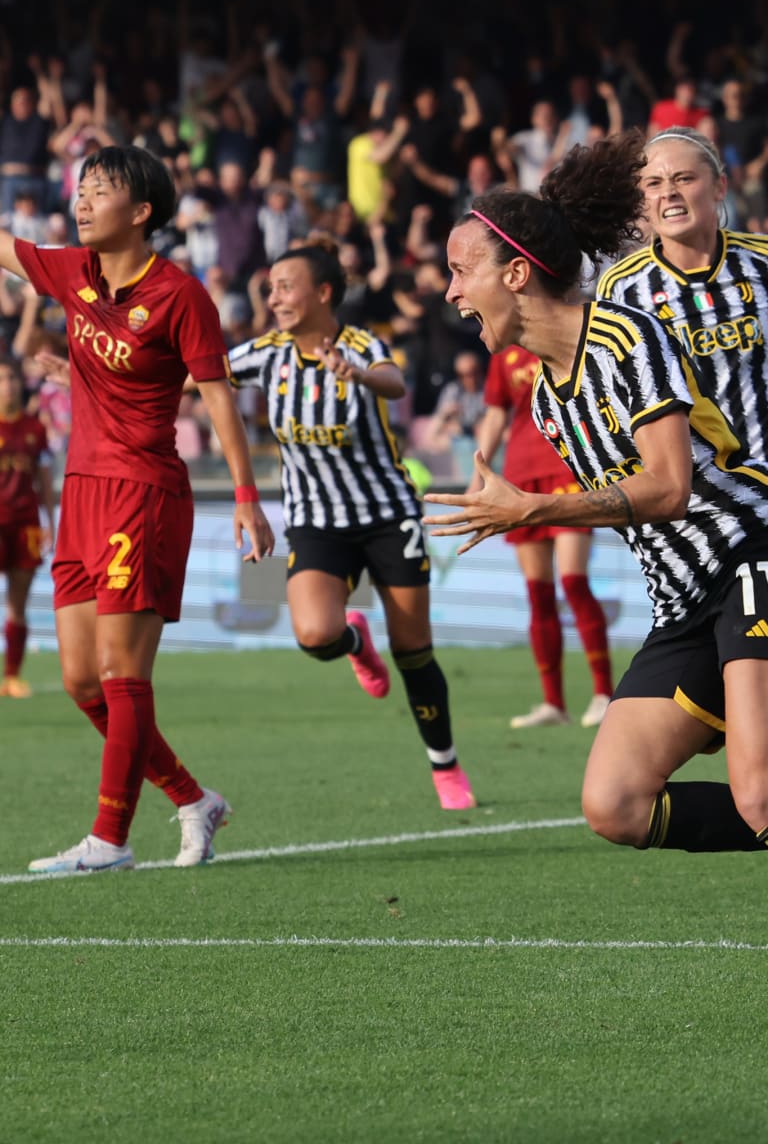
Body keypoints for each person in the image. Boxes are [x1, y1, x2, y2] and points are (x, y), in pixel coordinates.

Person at [423, 129, 768, 856]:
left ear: (516, 274)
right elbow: (643, 514)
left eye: (462, 270)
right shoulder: (547, 398)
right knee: (615, 805)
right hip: (684, 604)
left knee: (759, 792)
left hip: (751, 556)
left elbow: (670, 489)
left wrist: (537, 508)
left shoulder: (624, 335)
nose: (450, 290)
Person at [0, 144, 275, 873]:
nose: (82, 200)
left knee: (123, 672)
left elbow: (220, 402)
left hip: (143, 493)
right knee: (81, 683)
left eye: (101, 189)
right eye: (80, 188)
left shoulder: (183, 296)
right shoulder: (71, 272)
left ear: (143, 211)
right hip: (80, 492)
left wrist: (247, 500)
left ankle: (110, 839)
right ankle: (193, 799)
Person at [226, 241, 476, 811]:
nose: (275, 298)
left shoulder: (361, 345)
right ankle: (357, 641)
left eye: (285, 287)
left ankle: (446, 765)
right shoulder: (266, 354)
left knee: (415, 651)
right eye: (270, 289)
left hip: (388, 515)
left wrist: (357, 376)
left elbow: (393, 382)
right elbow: (195, 378)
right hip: (317, 522)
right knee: (315, 635)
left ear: (323, 293)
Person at [597, 127, 768, 466]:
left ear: (720, 187)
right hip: (702, 500)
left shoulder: (762, 261)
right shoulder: (621, 289)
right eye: (654, 184)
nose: (669, 193)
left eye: (684, 178)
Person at [472, 344, 613, 729]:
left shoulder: (565, 334)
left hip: (568, 468)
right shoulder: (504, 351)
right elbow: (497, 413)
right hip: (521, 472)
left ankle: (604, 694)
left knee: (574, 582)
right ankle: (554, 703)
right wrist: (477, 479)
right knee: (539, 592)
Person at [0, 357, 55, 697]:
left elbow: (45, 478)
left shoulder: (35, 429)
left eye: (13, 379)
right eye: (4, 379)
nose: (10, 385)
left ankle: (12, 676)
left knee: (19, 602)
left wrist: (51, 519)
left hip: (25, 523)